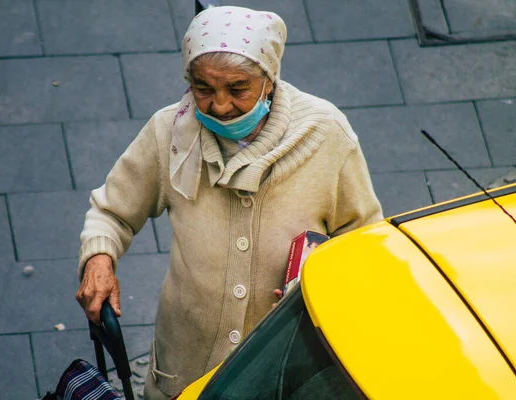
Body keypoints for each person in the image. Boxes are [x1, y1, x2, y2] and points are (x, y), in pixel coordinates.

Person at [76, 5, 383, 399]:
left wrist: (319, 283)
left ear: (269, 81)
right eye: (204, 89)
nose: (219, 106)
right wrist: (98, 260)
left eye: (238, 89)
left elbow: (363, 243)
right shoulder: (170, 133)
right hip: (185, 365)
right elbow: (112, 211)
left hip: (284, 364)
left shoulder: (326, 136)